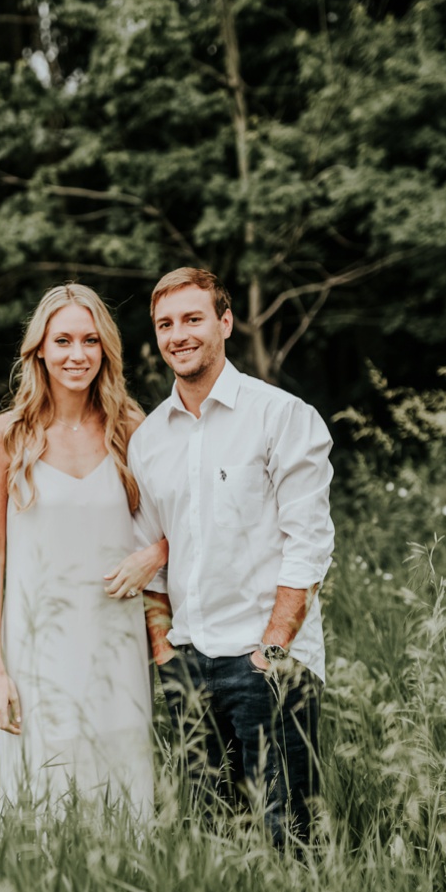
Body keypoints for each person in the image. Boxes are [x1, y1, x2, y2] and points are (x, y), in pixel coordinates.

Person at [104, 267, 335, 846]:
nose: (178, 334)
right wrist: (164, 653)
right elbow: (149, 554)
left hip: (267, 663)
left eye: (192, 319)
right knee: (210, 839)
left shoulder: (281, 415)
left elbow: (307, 544)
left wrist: (274, 649)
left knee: (286, 837)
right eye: (165, 324)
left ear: (225, 323)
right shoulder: (150, 439)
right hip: (189, 663)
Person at [0, 284, 163, 818]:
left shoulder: (131, 428)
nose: (77, 355)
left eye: (90, 341)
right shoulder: (3, 437)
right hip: (37, 647)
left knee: (121, 786)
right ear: (39, 350)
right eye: (63, 341)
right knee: (44, 794)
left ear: (106, 350)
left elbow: (173, 528)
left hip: (116, 640)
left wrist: (156, 554)